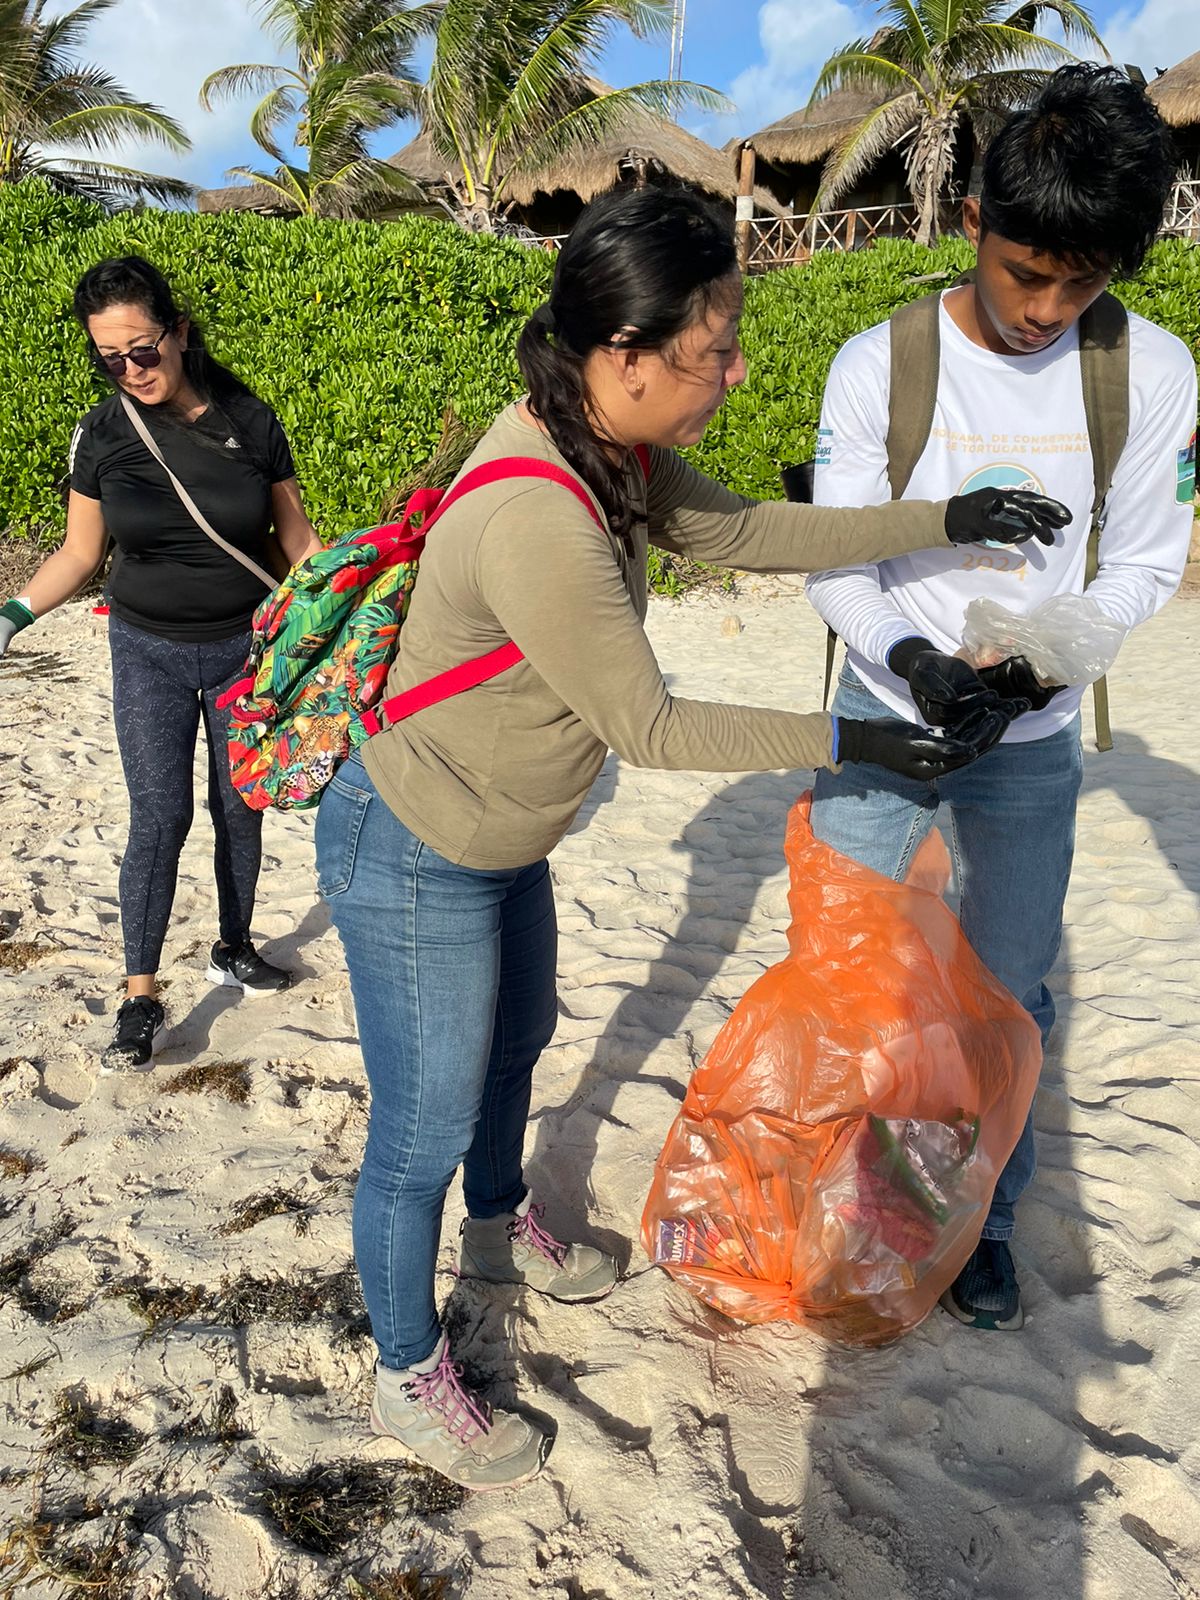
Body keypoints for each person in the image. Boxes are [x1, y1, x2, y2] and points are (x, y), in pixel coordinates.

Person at [310, 183, 1067, 1491]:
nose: (737, 370)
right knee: (421, 1129)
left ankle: (496, 1232)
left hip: (501, 841)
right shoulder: (540, 509)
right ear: (626, 356)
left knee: (516, 1049)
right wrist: (861, 740)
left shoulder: (613, 449)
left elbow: (753, 530)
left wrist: (945, 519)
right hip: (416, 846)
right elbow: (650, 726)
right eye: (715, 349)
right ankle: (405, 1369)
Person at [806, 65, 1197, 1332]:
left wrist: (1044, 666)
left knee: (1008, 989)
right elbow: (836, 559)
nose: (1046, 310)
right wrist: (914, 659)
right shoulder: (880, 364)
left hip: (1035, 741)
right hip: (884, 718)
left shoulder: (1150, 370)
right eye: (1028, 273)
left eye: (1081, 285)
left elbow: (1144, 564)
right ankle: (850, 1203)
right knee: (853, 977)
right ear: (974, 215)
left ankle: (983, 1219)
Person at [0, 256, 322, 1072]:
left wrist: (350, 613)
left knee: (239, 808)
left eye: (142, 350)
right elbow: (80, 554)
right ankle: (140, 996)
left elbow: (298, 543)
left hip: (244, 649)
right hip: (147, 650)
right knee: (160, 816)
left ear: (178, 332)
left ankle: (234, 947)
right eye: (110, 357)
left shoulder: (250, 420)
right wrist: (11, 618)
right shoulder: (102, 434)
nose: (131, 369)